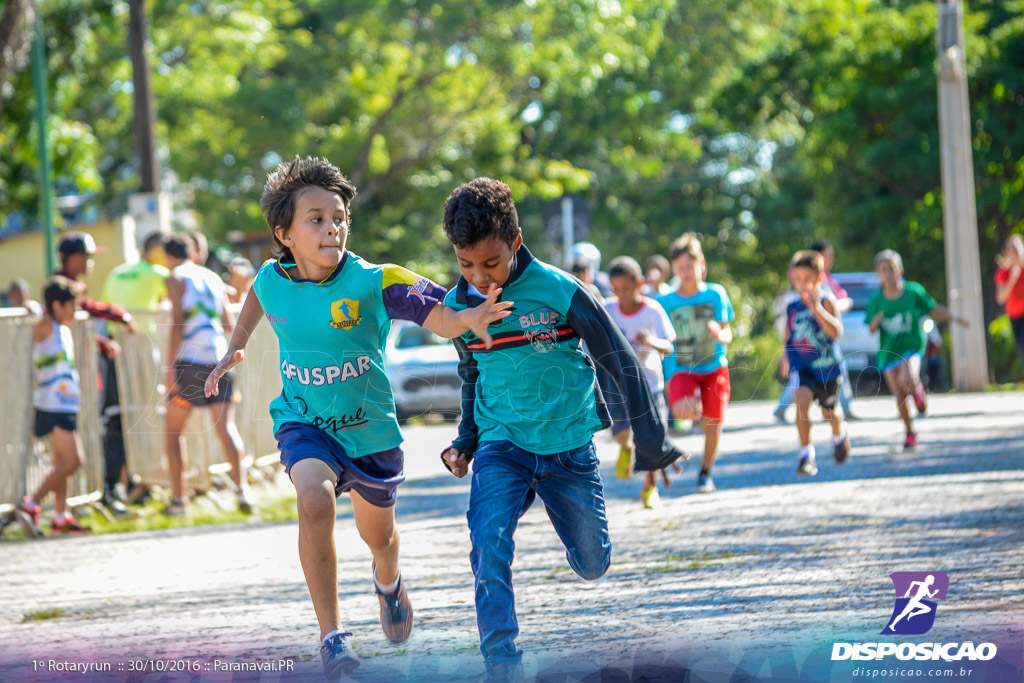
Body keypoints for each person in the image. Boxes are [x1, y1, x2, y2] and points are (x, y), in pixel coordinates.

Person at [203, 157, 511, 680]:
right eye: (316, 219)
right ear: (285, 234)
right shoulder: (272, 278)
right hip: (305, 423)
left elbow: (439, 314)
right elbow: (258, 294)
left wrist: (470, 317)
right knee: (312, 498)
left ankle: (388, 582)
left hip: (370, 432)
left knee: (380, 539)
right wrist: (236, 348)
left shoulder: (375, 280)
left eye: (339, 216)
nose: (332, 227)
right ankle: (332, 636)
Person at [438, 178, 684, 681]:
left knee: (594, 563)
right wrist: (466, 439)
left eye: (491, 263)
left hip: (568, 449)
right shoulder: (459, 303)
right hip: (500, 444)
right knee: (488, 542)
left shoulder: (560, 290)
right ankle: (501, 661)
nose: (480, 278)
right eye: (466, 265)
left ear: (517, 240)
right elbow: (471, 373)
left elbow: (619, 359)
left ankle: (538, 494)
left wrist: (652, 441)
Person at [163, 234, 250, 516]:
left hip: (189, 362)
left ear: (168, 257)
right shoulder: (213, 277)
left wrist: (168, 369)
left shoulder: (175, 278)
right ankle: (243, 489)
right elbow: (227, 322)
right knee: (226, 429)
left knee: (173, 433)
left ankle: (179, 500)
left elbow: (178, 324)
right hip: (218, 360)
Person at [866, 250, 968, 449]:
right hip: (888, 353)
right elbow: (870, 328)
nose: (888, 274)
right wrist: (876, 321)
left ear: (900, 270)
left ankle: (918, 391)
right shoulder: (876, 300)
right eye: (883, 270)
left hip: (912, 346)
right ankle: (910, 432)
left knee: (908, 377)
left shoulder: (912, 292)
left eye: (892, 269)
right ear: (879, 275)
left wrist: (954, 317)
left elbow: (932, 307)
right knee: (900, 397)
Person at [98, 232, 171, 512]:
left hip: (117, 348)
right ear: (155, 251)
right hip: (140, 346)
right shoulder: (158, 272)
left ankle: (123, 482)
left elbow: (105, 306)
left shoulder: (117, 272)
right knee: (147, 414)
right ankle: (142, 480)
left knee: (120, 415)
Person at [658, 233, 733, 493]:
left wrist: (718, 333)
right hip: (681, 367)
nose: (686, 272)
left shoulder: (716, 294)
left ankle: (705, 473)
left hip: (714, 367)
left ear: (702, 264)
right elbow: (663, 340)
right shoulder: (666, 301)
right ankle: (697, 409)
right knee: (680, 412)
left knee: (712, 426)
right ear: (674, 269)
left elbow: (727, 333)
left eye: (690, 266)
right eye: (680, 268)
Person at [18, 276, 91, 535]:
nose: (76, 310)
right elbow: (34, 314)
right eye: (72, 305)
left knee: (62, 464)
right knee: (74, 460)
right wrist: (33, 306)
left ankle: (61, 516)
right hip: (51, 405)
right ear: (57, 305)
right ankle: (30, 503)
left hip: (66, 404)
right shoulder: (46, 326)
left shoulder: (63, 328)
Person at [603, 255, 677, 508]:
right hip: (619, 385)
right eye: (616, 289)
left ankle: (650, 488)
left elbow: (668, 345)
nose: (621, 295)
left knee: (650, 440)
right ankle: (625, 448)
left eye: (626, 288)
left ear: (640, 283)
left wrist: (650, 341)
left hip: (649, 386)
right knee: (623, 433)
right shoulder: (608, 309)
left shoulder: (653, 310)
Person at [782, 251, 850, 476]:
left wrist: (816, 309)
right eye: (798, 279)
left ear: (819, 278)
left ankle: (839, 434)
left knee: (828, 412)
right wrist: (785, 357)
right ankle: (806, 455)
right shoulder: (792, 307)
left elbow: (836, 332)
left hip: (827, 368)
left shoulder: (827, 301)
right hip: (802, 367)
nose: (802, 284)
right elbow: (788, 334)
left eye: (807, 279)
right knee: (801, 400)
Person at [809, 240, 858, 419]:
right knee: (805, 373)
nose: (831, 259)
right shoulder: (805, 275)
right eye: (828, 255)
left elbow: (841, 296)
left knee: (837, 368)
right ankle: (839, 410)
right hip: (815, 333)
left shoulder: (826, 277)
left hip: (828, 331)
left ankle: (843, 409)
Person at [995, 234, 1024, 366]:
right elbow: (1000, 298)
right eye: (1013, 251)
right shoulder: (1004, 272)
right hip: (1014, 316)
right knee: (1021, 348)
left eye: (1018, 250)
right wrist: (1013, 278)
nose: (1016, 254)